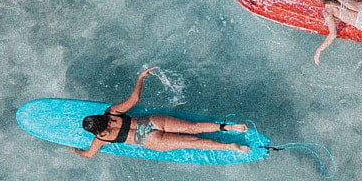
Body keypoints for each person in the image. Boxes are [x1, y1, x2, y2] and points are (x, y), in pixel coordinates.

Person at [68, 67, 250, 158]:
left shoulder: (100, 138)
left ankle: (231, 147)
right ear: (99, 118)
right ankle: (229, 127)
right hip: (150, 123)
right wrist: (140, 78)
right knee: (193, 128)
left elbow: (88, 154)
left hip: (148, 140)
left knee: (193, 142)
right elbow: (134, 100)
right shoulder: (112, 113)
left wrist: (73, 149)